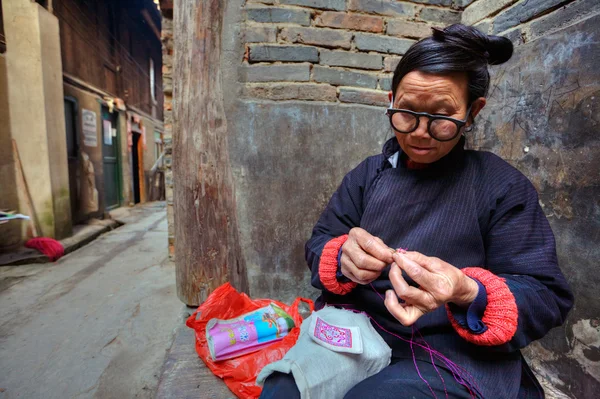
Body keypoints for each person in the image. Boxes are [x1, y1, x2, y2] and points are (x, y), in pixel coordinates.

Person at [259, 24, 573, 398]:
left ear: (472, 113)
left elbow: (545, 295)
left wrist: (466, 289)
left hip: (451, 354)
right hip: (360, 332)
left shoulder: (500, 186)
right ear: (391, 100)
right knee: (284, 389)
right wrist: (341, 256)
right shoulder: (367, 175)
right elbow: (320, 242)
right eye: (406, 112)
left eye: (442, 117)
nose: (421, 133)